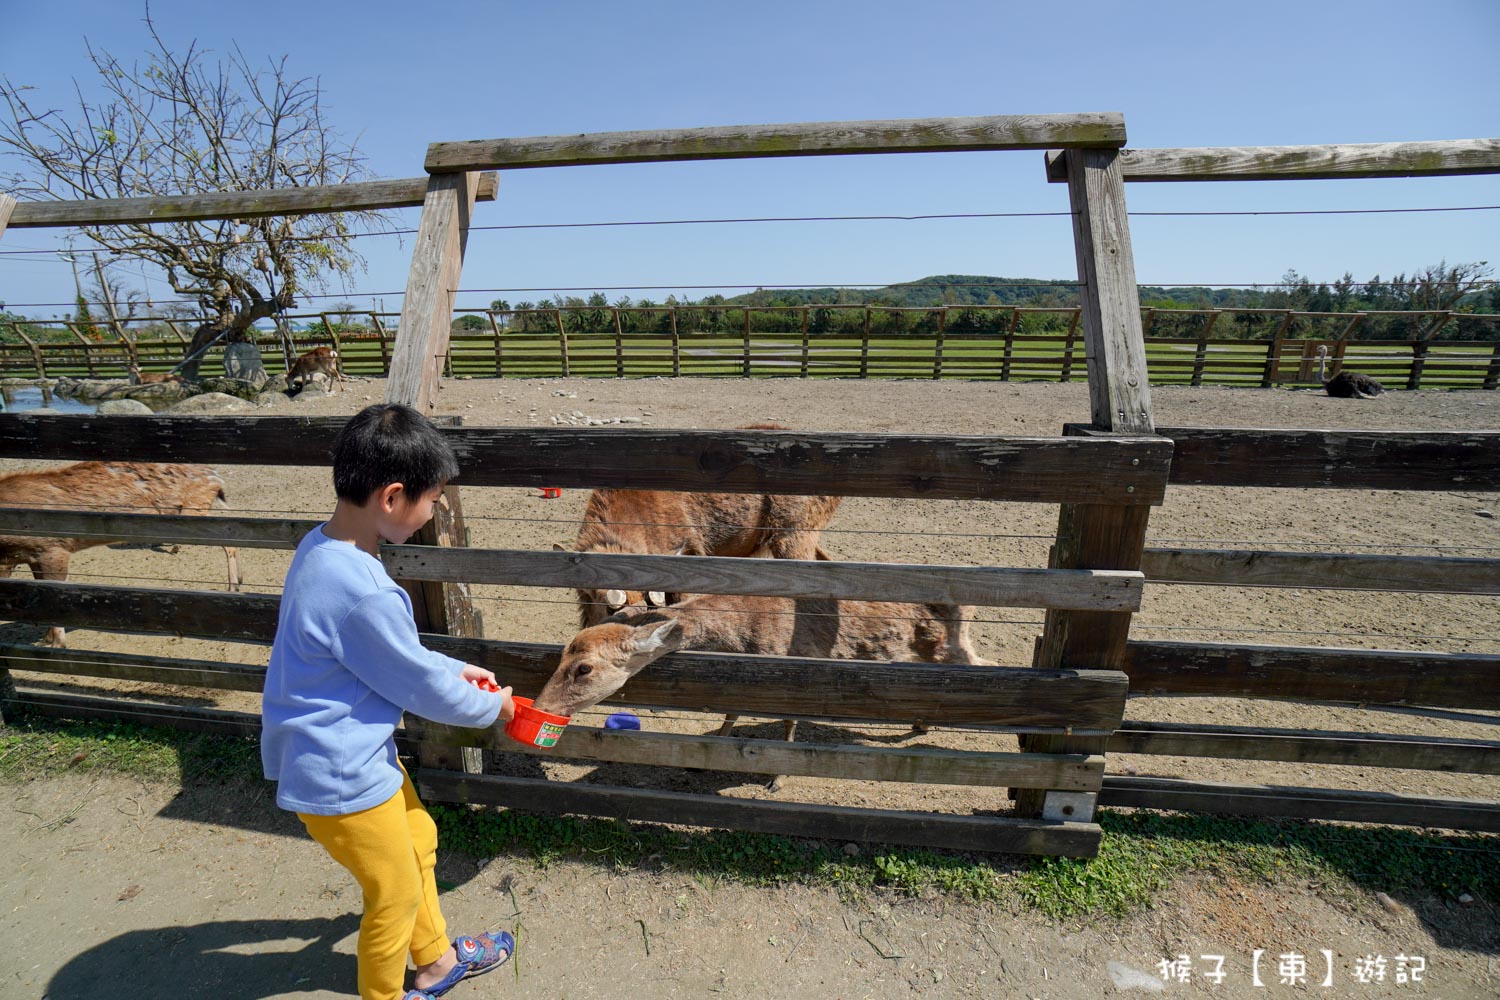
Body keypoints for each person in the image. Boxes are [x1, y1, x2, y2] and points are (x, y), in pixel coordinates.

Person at [262, 403, 516, 1000]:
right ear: (393, 497)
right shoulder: (366, 590)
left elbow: (387, 657)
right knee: (394, 897)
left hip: (353, 751)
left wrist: (458, 666)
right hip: (339, 773)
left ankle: (435, 960)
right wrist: (493, 708)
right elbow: (417, 685)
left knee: (419, 838)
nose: (433, 512)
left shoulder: (322, 548)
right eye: (432, 500)